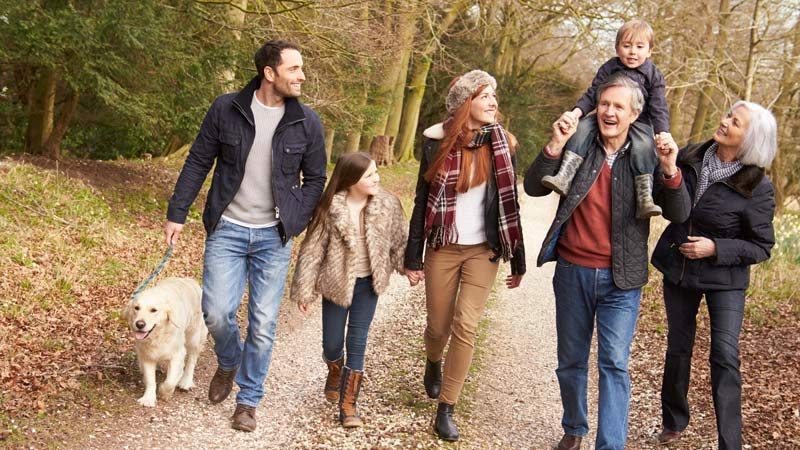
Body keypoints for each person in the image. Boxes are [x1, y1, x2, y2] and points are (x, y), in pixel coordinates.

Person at [164, 39, 327, 431]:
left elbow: (316, 178)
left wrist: (295, 219)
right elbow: (199, 160)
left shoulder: (307, 122)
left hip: (274, 236)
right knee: (216, 312)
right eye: (294, 69)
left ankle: (248, 400)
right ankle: (228, 359)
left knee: (264, 322)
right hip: (228, 229)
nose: (302, 76)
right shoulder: (227, 108)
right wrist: (177, 213)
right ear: (269, 73)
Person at [524, 73, 686, 450]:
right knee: (570, 360)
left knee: (614, 363)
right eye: (604, 104)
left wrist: (670, 169)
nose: (608, 112)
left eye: (618, 107)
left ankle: (610, 444)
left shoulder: (647, 156)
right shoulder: (580, 144)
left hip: (621, 279)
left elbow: (678, 212)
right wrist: (554, 144)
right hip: (572, 271)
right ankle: (574, 428)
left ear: (634, 115)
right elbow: (533, 186)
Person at [405, 69, 526, 442]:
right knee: (438, 326)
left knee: (466, 325)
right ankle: (433, 361)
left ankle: (447, 406)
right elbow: (423, 201)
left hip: (483, 251)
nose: (493, 102)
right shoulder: (436, 144)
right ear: (464, 103)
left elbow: (510, 206)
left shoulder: (503, 145)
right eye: (484, 95)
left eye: (494, 96)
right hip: (442, 246)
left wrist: (517, 260)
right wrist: (412, 257)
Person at [650, 101, 777, 450]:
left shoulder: (758, 186)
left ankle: (729, 442)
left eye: (734, 122)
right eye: (727, 115)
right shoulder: (691, 156)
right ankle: (674, 421)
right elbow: (664, 200)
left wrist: (716, 248)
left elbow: (762, 246)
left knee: (724, 354)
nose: (723, 122)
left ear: (749, 139)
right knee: (678, 347)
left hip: (725, 280)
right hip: (679, 267)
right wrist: (667, 168)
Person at [290, 152, 407, 428]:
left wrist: (410, 267)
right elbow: (312, 250)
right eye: (369, 176)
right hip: (338, 282)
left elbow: (400, 241)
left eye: (376, 172)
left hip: (369, 284)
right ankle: (334, 368)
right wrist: (305, 290)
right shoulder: (330, 208)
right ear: (351, 180)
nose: (376, 179)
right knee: (331, 343)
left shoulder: (387, 204)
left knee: (358, 338)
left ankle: (348, 403)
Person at [542, 19, 670, 219]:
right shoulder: (609, 67)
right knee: (582, 129)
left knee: (645, 146)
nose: (632, 52)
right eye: (626, 46)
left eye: (639, 47)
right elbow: (593, 94)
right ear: (617, 48)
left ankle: (644, 196)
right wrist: (576, 113)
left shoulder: (653, 75)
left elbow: (659, 107)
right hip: (603, 114)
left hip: (639, 120)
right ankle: (565, 175)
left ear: (649, 51)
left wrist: (662, 133)